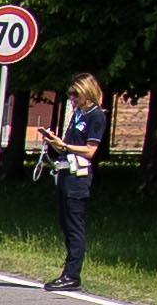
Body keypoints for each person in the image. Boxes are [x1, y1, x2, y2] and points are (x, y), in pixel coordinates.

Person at [44, 75, 109, 290]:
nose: (72, 98)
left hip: (79, 177)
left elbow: (90, 150)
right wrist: (55, 142)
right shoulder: (78, 114)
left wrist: (65, 146)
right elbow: (67, 146)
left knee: (74, 225)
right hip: (66, 172)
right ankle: (68, 271)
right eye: (70, 94)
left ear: (86, 92)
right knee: (65, 222)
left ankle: (72, 275)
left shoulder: (96, 116)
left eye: (75, 94)